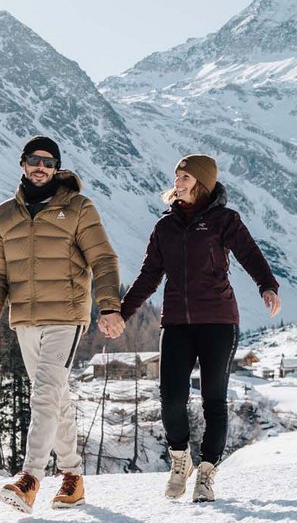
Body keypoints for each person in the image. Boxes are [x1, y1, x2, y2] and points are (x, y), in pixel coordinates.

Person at [119, 155, 282, 502]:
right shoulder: (165, 227)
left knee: (213, 401)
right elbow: (149, 275)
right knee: (171, 399)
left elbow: (251, 255)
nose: (177, 181)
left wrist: (267, 285)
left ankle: (207, 473)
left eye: (185, 176)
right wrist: (122, 312)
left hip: (219, 322)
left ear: (201, 183)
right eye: (176, 175)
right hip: (176, 322)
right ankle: (181, 460)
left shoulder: (225, 220)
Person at [0, 136, 125, 512]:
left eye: (48, 161)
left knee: (44, 392)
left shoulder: (78, 208)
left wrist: (108, 306)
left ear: (57, 168)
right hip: (25, 319)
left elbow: (104, 260)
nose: (40, 166)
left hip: (66, 316)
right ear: (23, 164)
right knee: (56, 396)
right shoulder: (4, 215)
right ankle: (73, 477)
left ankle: (30, 479)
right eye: (33, 159)